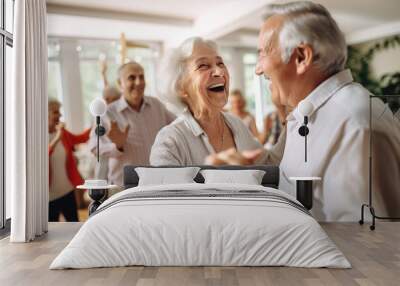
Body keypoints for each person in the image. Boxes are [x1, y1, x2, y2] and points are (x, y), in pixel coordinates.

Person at [207, 1, 400, 221]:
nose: (258, 69)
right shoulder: (304, 116)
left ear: (301, 57)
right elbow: (291, 180)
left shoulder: (355, 124)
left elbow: (365, 244)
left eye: (262, 54)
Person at [150, 37, 285, 166]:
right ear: (180, 86)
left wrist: (291, 111)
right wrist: (213, 178)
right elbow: (165, 190)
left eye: (220, 63)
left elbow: (268, 163)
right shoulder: (169, 141)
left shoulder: (236, 124)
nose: (220, 71)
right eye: (203, 66)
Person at [88, 61, 176, 186]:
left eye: (141, 77)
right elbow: (93, 146)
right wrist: (117, 146)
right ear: (120, 84)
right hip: (125, 185)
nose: (138, 82)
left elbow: (177, 126)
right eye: (132, 78)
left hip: (156, 182)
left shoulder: (156, 105)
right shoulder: (107, 113)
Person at [48, 98, 91, 222]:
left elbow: (80, 138)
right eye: (56, 112)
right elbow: (43, 157)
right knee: (52, 232)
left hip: (68, 191)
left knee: (74, 226)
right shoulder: (38, 136)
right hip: (50, 197)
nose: (60, 115)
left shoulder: (62, 133)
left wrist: (94, 125)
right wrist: (56, 139)